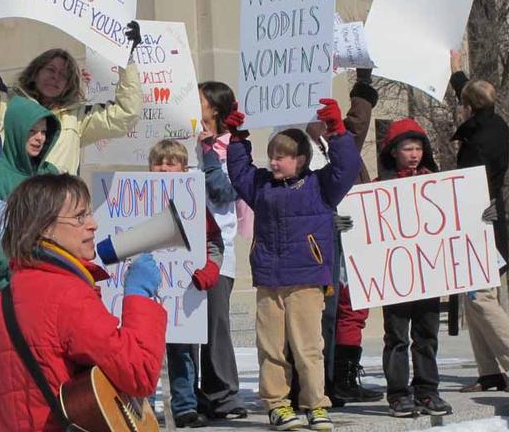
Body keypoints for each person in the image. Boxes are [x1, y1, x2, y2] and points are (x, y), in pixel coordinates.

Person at [0, 174, 166, 431]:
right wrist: (139, 296)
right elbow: (139, 372)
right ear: (44, 228)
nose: (93, 224)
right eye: (79, 217)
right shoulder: (68, 296)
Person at [227, 98, 360, 430]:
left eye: (280, 157)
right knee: (271, 347)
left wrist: (338, 131)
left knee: (307, 346)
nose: (273, 162)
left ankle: (316, 404)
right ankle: (277, 404)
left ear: (301, 159)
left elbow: (347, 168)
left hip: (306, 279)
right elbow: (240, 172)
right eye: (271, 155)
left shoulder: (320, 186)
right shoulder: (262, 187)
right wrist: (238, 139)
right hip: (270, 279)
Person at [0, 0, 143, 173]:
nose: (56, 78)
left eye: (64, 76)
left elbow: (127, 113)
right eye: (51, 70)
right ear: (35, 72)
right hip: (13, 201)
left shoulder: (77, 118)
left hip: (60, 203)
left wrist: (126, 58)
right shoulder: (4, 104)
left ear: (69, 85)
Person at [448, 51, 509, 393]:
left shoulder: (478, 141)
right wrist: (457, 71)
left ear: (468, 108)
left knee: (480, 297)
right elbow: (474, 94)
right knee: (472, 298)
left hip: (482, 222)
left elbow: (473, 184)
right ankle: (489, 371)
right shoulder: (495, 122)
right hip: (488, 218)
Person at [147, 139, 229, 427]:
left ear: (184, 169)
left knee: (181, 351)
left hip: (182, 291)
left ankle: (184, 407)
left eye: (171, 163)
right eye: (159, 163)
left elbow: (214, 244)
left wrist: (209, 271)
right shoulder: (137, 199)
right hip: (144, 293)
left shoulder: (196, 206)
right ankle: (143, 409)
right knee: (145, 351)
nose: (165, 168)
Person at [375, 119, 451, 418]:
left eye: (419, 147)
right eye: (408, 148)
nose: (414, 154)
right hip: (395, 276)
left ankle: (427, 391)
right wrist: (348, 224)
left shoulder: (436, 183)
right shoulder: (378, 189)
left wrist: (481, 214)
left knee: (427, 334)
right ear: (394, 151)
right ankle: (397, 394)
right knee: (396, 337)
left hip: (428, 273)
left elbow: (456, 218)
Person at [326, 69, 385, 405]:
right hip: (327, 240)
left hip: (353, 235)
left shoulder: (342, 144)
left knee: (352, 307)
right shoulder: (306, 153)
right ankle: (329, 381)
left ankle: (344, 378)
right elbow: (356, 126)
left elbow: (356, 124)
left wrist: (364, 83)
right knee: (330, 312)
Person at [194, 81, 247, 420]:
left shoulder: (232, 147)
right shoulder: (183, 141)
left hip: (217, 249)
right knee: (184, 326)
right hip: (180, 246)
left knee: (215, 324)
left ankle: (223, 394)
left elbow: (227, 192)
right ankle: (189, 395)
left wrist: (211, 154)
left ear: (214, 108)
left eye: (198, 100)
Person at [0, 95, 60, 302]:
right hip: (8, 291)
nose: (39, 138)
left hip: (51, 288)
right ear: (16, 131)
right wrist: (10, 275)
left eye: (43, 132)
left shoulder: (52, 175)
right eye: (32, 131)